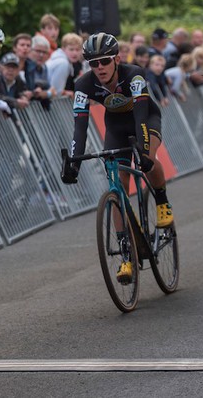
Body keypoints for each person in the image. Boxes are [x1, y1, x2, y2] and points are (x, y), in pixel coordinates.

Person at [60, 33, 175, 284]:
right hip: (116, 128)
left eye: (104, 61)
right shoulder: (83, 85)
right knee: (118, 184)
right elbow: (80, 127)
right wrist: (74, 164)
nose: (99, 67)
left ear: (117, 59)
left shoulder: (134, 74)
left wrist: (143, 151)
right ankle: (126, 254)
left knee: (149, 160)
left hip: (143, 121)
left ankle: (162, 201)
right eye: (93, 63)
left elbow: (141, 116)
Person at [46, 32, 83, 98]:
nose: (75, 53)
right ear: (63, 49)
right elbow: (56, 91)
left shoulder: (60, 60)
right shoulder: (63, 63)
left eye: (77, 50)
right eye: (71, 49)